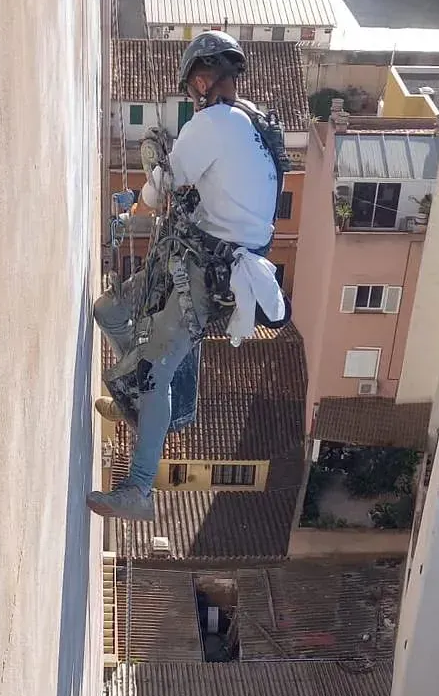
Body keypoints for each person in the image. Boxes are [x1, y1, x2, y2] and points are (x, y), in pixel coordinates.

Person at [87, 32, 288, 522]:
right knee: (111, 310)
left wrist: (148, 166)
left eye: (193, 81)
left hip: (202, 274)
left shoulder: (214, 122)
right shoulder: (254, 123)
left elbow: (158, 194)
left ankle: (139, 489)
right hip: (219, 267)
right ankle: (136, 401)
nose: (193, 91)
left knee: (155, 375)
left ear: (203, 78)